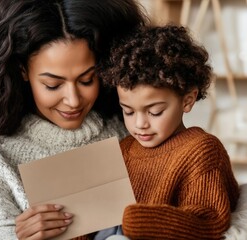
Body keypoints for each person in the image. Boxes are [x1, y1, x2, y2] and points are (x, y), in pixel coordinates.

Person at [0, 0, 148, 239]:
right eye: (53, 85)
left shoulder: (134, 130)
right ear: (22, 71)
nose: (73, 100)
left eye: (87, 80)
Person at [99, 24, 240, 239]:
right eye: (128, 111)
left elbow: (209, 220)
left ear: (188, 100)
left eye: (155, 112)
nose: (140, 124)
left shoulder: (201, 149)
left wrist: (139, 220)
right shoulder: (125, 148)